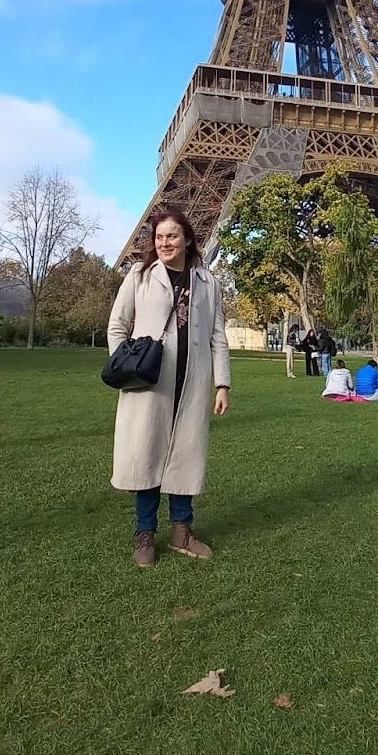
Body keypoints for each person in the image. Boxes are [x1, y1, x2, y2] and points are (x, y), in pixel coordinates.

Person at [107, 205, 230, 569]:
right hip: (148, 381)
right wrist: (125, 364)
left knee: (184, 458)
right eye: (159, 237)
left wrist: (222, 383)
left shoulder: (209, 283)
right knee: (147, 455)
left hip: (192, 382)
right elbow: (117, 325)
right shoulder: (139, 275)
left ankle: (181, 531)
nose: (165, 243)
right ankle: (145, 533)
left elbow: (217, 337)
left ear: (188, 238)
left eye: (172, 236)